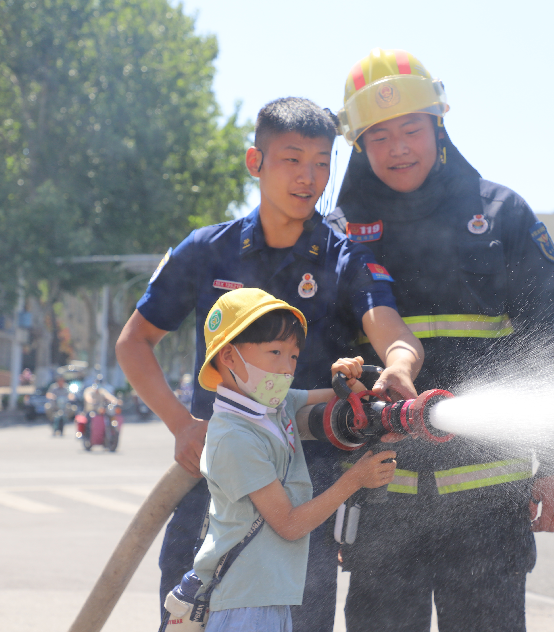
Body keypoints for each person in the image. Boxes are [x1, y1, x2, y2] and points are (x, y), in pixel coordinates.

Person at [116, 97, 423, 631]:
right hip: (212, 484)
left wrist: (400, 364)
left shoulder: (343, 256)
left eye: (322, 162)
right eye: (292, 159)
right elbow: (133, 342)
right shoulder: (204, 250)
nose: (310, 177)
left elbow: (389, 328)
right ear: (255, 163)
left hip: (305, 491)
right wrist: (183, 426)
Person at [328, 49, 554, 632]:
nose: (398, 148)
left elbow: (552, 340)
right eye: (378, 136)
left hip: (489, 499)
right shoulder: (341, 232)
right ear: (359, 145)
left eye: (411, 129)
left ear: (438, 125)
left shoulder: (502, 215)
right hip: (380, 497)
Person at [163, 288, 396, 632]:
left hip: (267, 598)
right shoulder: (234, 437)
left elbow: (343, 399)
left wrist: (349, 379)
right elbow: (288, 524)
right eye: (275, 352)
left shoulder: (273, 406)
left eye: (293, 356)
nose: (286, 368)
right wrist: (354, 480)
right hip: (244, 606)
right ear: (228, 356)